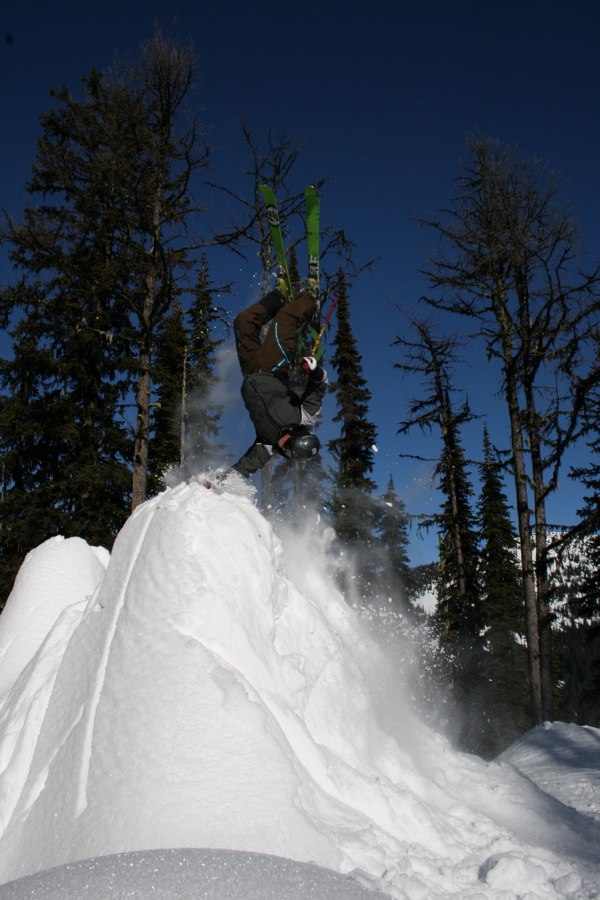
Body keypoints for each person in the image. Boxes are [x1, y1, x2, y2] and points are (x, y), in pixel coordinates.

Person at [230, 285, 328, 478]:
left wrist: (217, 486)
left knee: (244, 322)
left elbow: (244, 468)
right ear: (298, 435)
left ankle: (279, 296)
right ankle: (310, 298)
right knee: (286, 318)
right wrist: (314, 371)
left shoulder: (268, 445)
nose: (283, 446)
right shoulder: (305, 417)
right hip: (273, 367)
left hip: (250, 371)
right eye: (289, 444)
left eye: (287, 452)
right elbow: (320, 387)